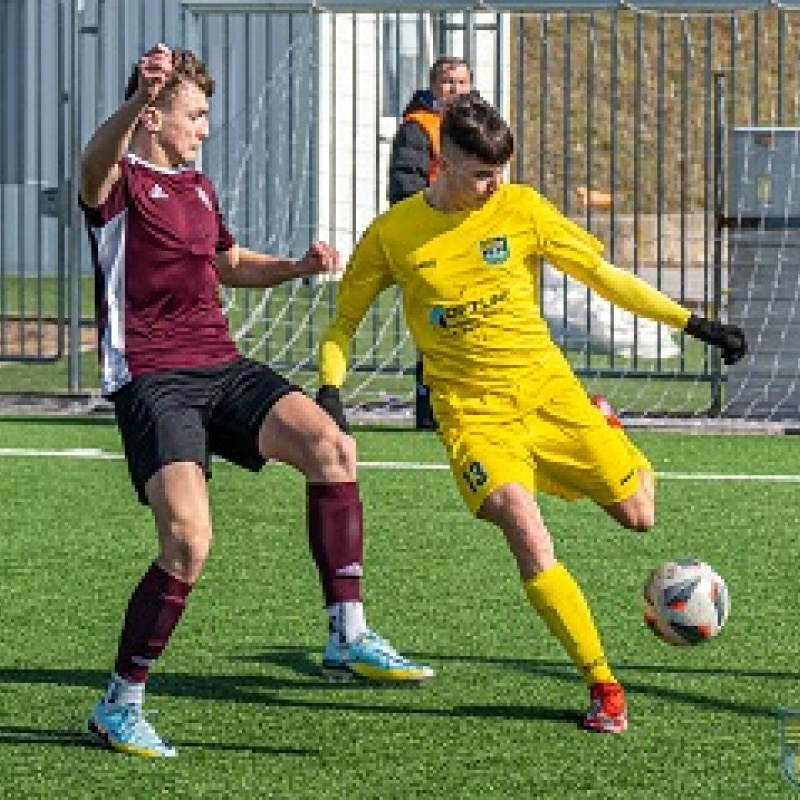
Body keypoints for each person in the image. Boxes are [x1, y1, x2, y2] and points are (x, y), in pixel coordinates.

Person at [316, 93, 747, 734]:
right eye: (483, 174)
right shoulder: (393, 234)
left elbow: (601, 275)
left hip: (550, 395)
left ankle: (606, 422)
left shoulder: (521, 209)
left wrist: (693, 323)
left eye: (503, 173)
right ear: (445, 162)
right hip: (475, 419)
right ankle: (604, 686)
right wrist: (330, 389)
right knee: (523, 521)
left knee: (640, 517)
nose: (496, 187)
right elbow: (343, 323)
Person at [78, 44, 433, 759]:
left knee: (332, 445)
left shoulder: (199, 188)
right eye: (195, 114)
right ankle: (120, 703)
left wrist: (298, 266)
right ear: (153, 117)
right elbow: (92, 164)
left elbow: (230, 266)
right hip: (153, 377)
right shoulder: (117, 184)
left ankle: (347, 634)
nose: (205, 128)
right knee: (187, 542)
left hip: (222, 362)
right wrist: (134, 102)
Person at [388, 55, 472, 430]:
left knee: (474, 318)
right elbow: (406, 185)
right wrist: (427, 224)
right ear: (433, 87)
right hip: (433, 237)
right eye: (446, 82)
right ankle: (430, 408)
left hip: (470, 235)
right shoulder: (418, 128)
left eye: (461, 82)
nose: (454, 89)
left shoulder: (476, 126)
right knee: (437, 320)